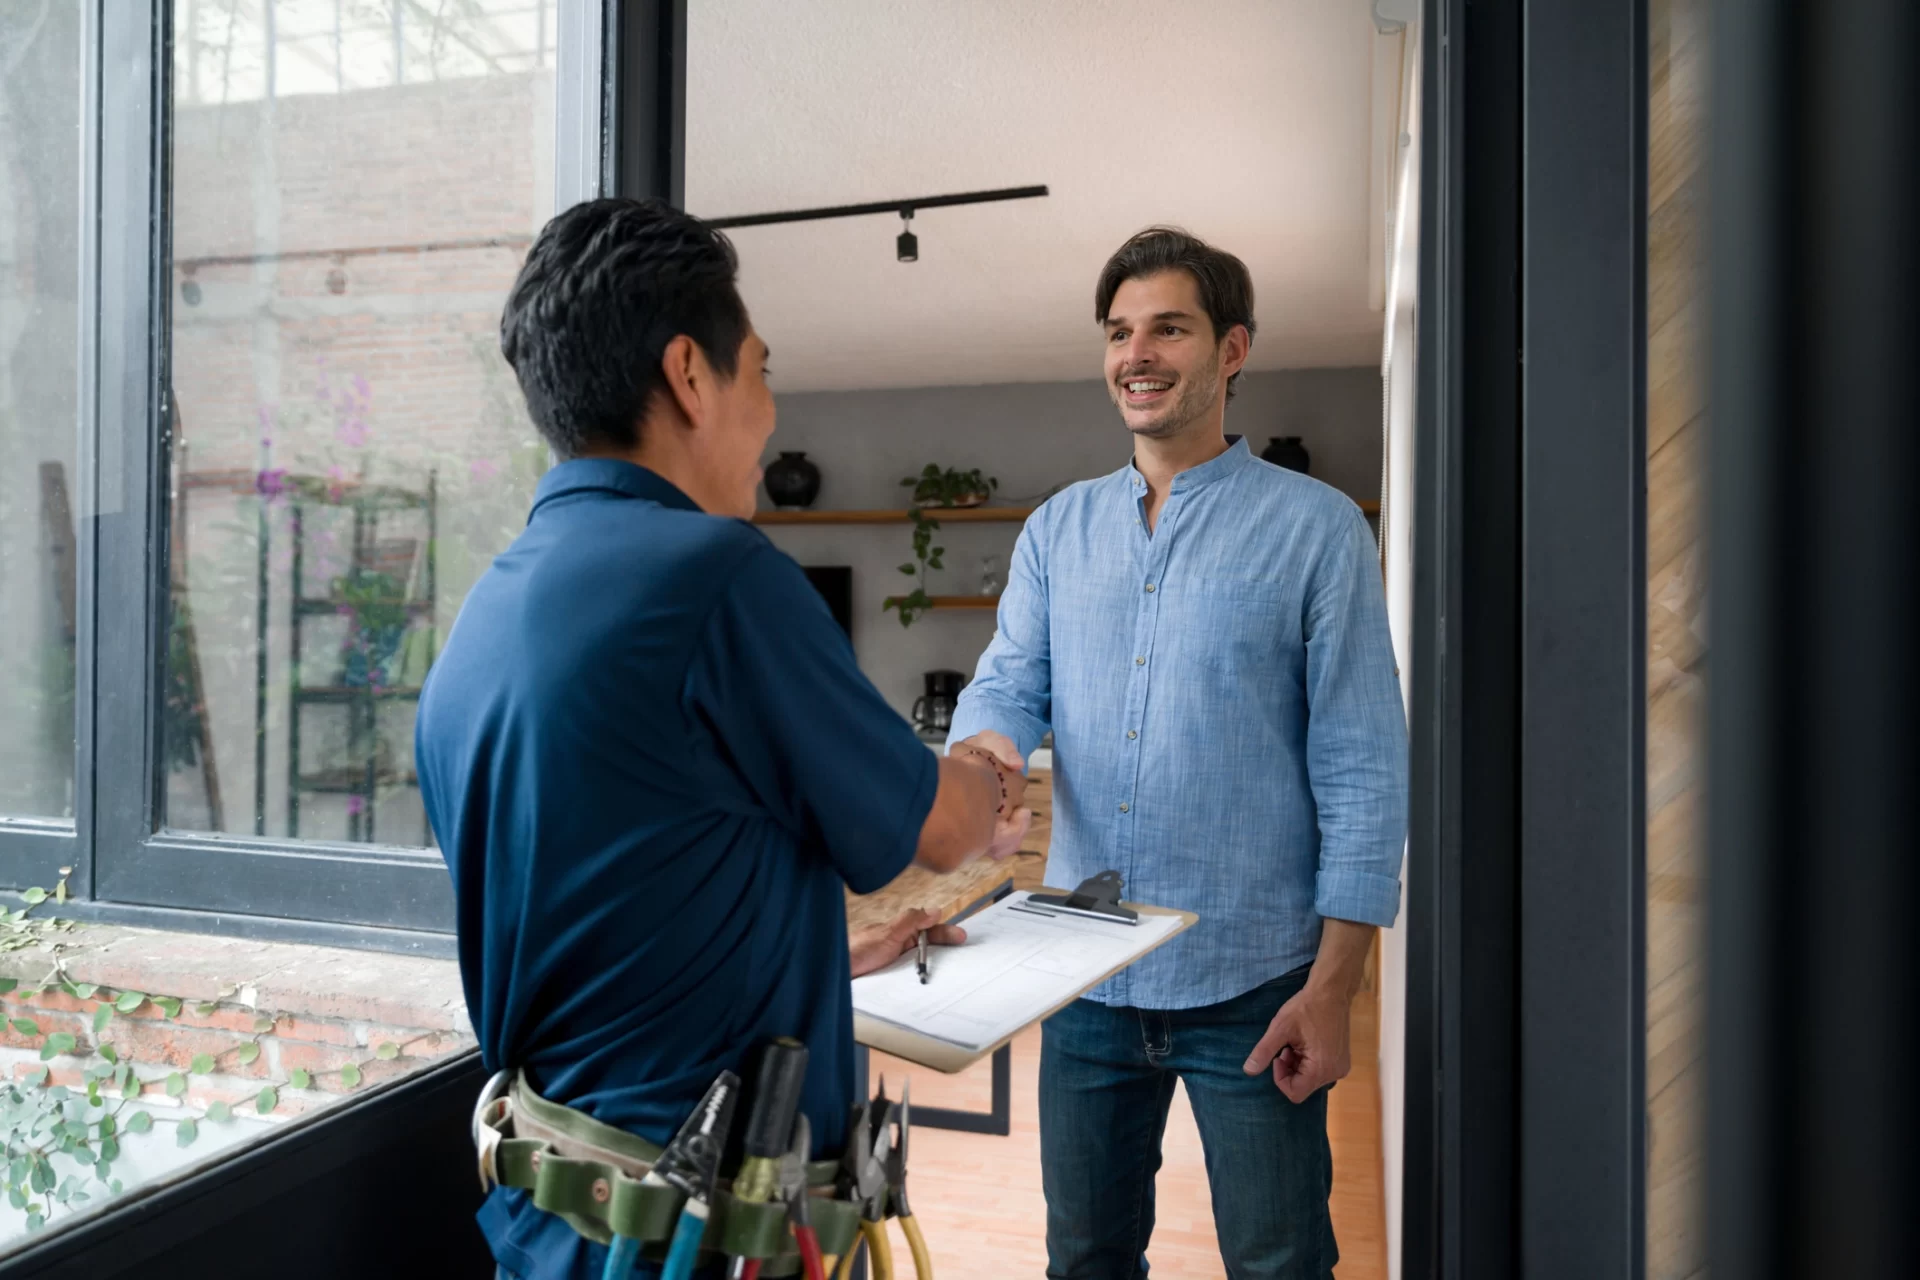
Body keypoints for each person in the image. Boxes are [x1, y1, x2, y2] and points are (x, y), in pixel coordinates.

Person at [414, 197, 1030, 1280]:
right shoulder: (718, 577)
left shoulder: (484, 621)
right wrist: (985, 770)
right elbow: (934, 828)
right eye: (762, 371)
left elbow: (615, 909)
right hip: (701, 1242)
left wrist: (810, 959)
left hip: (551, 1226)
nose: (771, 412)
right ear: (691, 375)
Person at [947, 227, 1407, 1279]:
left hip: (1256, 984)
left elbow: (1364, 767)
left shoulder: (1319, 530)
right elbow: (1011, 680)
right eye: (1119, 332)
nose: (1136, 354)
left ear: (1232, 349)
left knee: (1281, 1261)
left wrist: (1335, 983)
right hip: (1089, 974)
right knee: (1087, 1258)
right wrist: (982, 760)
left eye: (1168, 327)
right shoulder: (1057, 531)